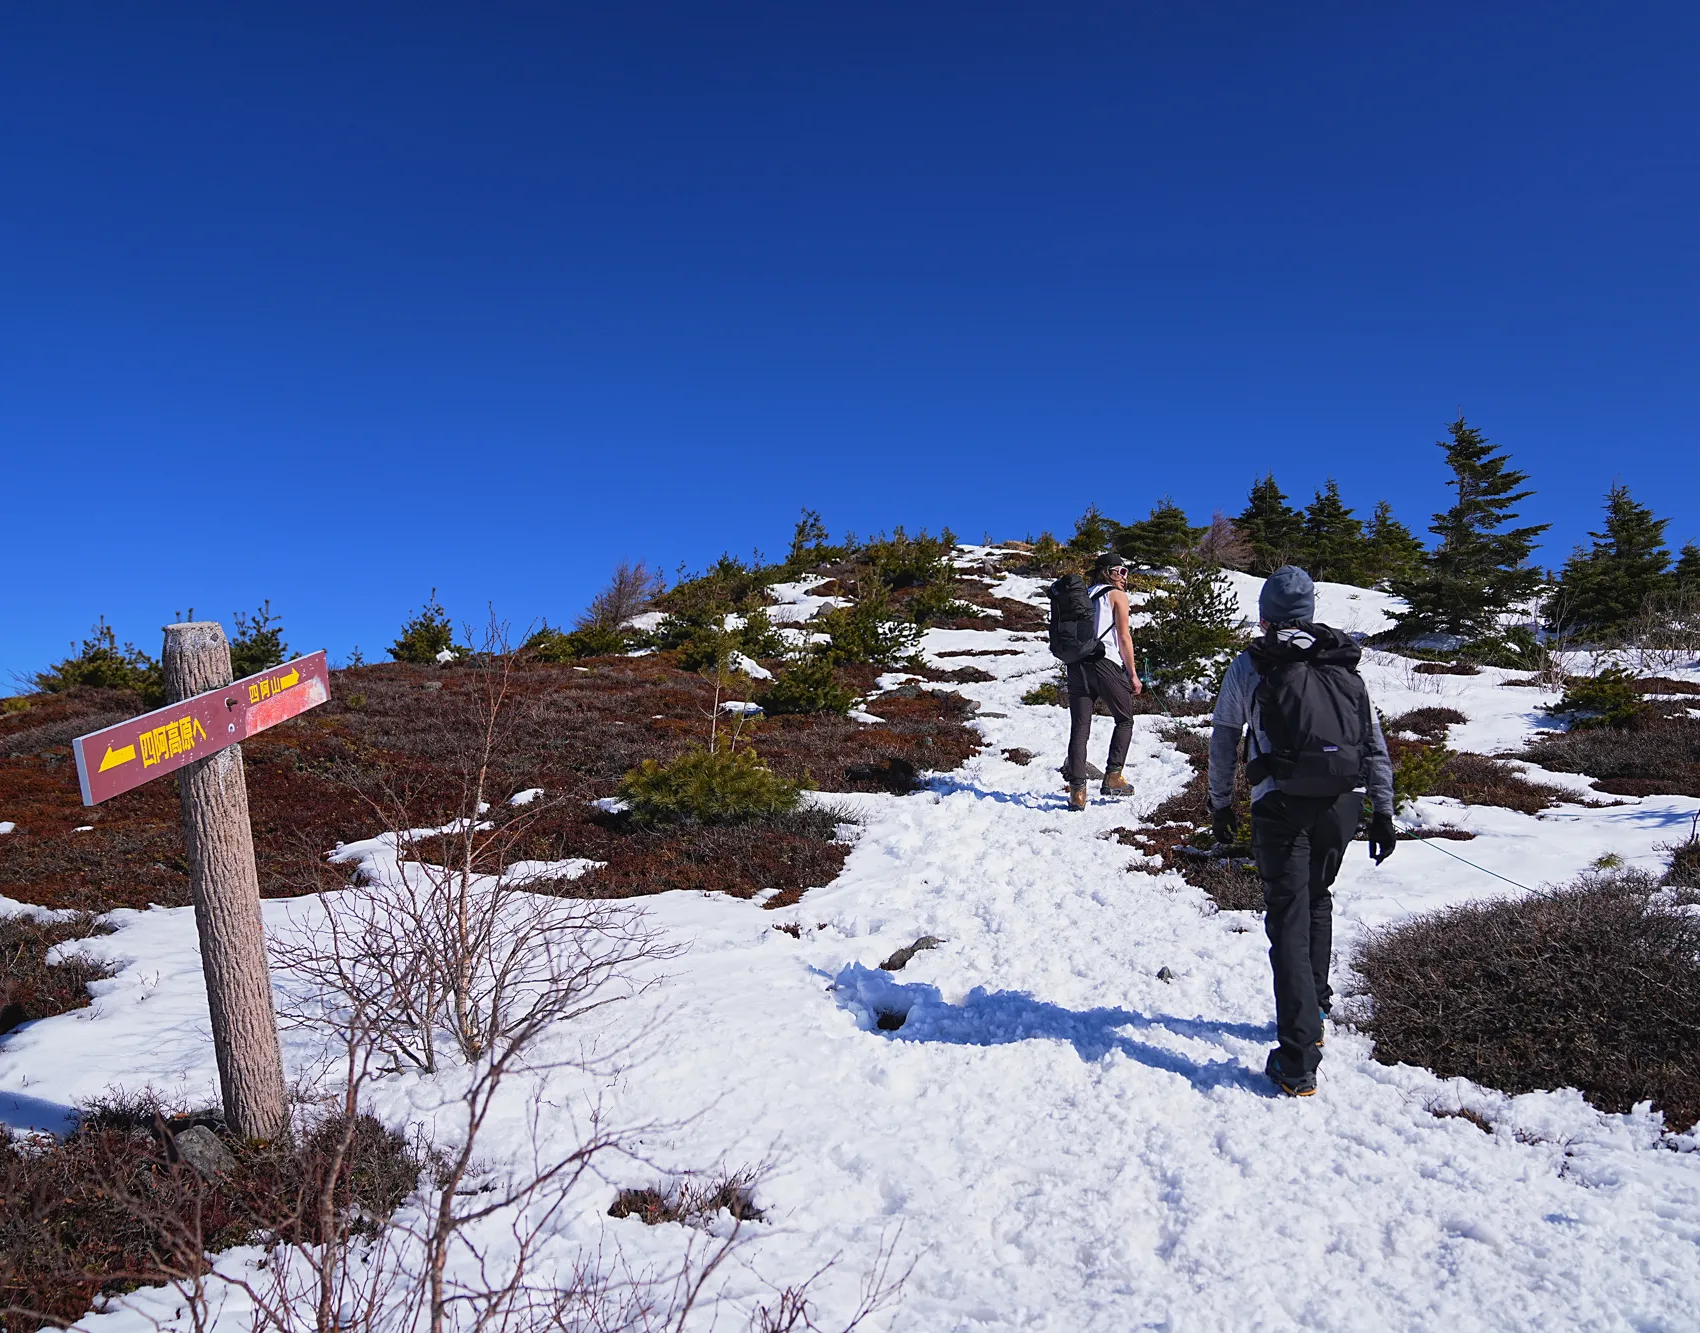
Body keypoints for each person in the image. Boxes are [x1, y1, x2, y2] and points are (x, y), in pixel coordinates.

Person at [1206, 565, 1398, 1097]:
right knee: (1317, 899)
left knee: (1287, 916)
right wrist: (1382, 810)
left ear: (1265, 615)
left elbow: (1224, 738)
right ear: (1310, 611)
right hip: (1343, 803)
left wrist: (1220, 803)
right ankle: (1314, 1009)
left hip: (1281, 803)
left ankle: (1297, 1059)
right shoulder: (1344, 663)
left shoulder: (1252, 663)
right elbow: (1373, 742)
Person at [1065, 552, 1143, 812]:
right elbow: (1123, 637)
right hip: (1104, 663)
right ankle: (1113, 777)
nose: (1124, 577)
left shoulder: (1082, 596)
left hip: (1076, 666)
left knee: (1079, 728)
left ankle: (1077, 792)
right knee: (1124, 719)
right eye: (1121, 571)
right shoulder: (1116, 595)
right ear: (1108, 572)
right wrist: (1132, 673)